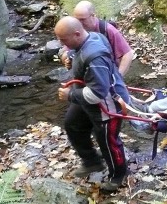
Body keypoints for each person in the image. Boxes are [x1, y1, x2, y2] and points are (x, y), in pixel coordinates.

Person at [55, 16, 129, 192]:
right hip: (89, 96)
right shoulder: (90, 37)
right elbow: (79, 54)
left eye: (63, 40)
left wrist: (70, 94)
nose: (60, 43)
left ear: (77, 33)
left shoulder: (95, 56)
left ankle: (117, 175)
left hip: (108, 103)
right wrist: (71, 57)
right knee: (72, 124)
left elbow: (98, 93)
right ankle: (92, 162)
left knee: (107, 140)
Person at [61, 1, 135, 76]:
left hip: (107, 73)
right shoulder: (76, 30)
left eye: (82, 20)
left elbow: (128, 54)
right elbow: (65, 53)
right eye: (77, 20)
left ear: (93, 16)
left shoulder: (108, 30)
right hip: (86, 75)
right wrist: (68, 61)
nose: (79, 23)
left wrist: (118, 77)